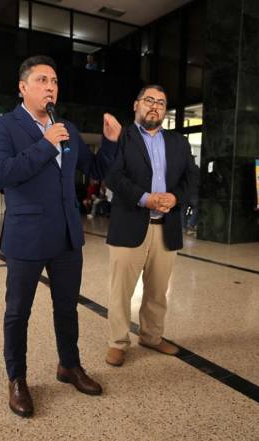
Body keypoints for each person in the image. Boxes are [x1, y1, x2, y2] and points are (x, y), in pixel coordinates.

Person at [0, 55, 122, 418]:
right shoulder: (4, 127)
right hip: (26, 236)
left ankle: (69, 365)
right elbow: (0, 174)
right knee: (18, 312)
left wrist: (109, 143)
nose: (50, 87)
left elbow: (95, 170)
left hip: (66, 237)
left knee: (67, 307)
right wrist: (45, 145)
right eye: (42, 80)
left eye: (55, 81)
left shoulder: (67, 128)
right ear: (23, 87)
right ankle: (17, 379)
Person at [104, 84, 199, 367]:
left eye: (161, 102)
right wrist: (145, 198)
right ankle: (117, 342)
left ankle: (152, 336)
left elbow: (192, 177)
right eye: (149, 100)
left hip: (166, 226)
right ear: (136, 105)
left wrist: (175, 197)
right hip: (129, 224)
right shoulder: (122, 137)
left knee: (158, 291)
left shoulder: (179, 142)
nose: (155, 106)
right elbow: (113, 176)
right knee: (121, 291)